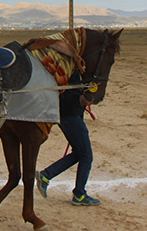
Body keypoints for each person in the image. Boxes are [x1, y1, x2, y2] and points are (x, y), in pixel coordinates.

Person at [36, 71, 100, 206]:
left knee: (78, 153)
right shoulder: (71, 72)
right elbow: (70, 95)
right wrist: (83, 99)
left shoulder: (68, 69)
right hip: (70, 115)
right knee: (86, 155)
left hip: (65, 115)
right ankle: (79, 194)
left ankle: (46, 176)